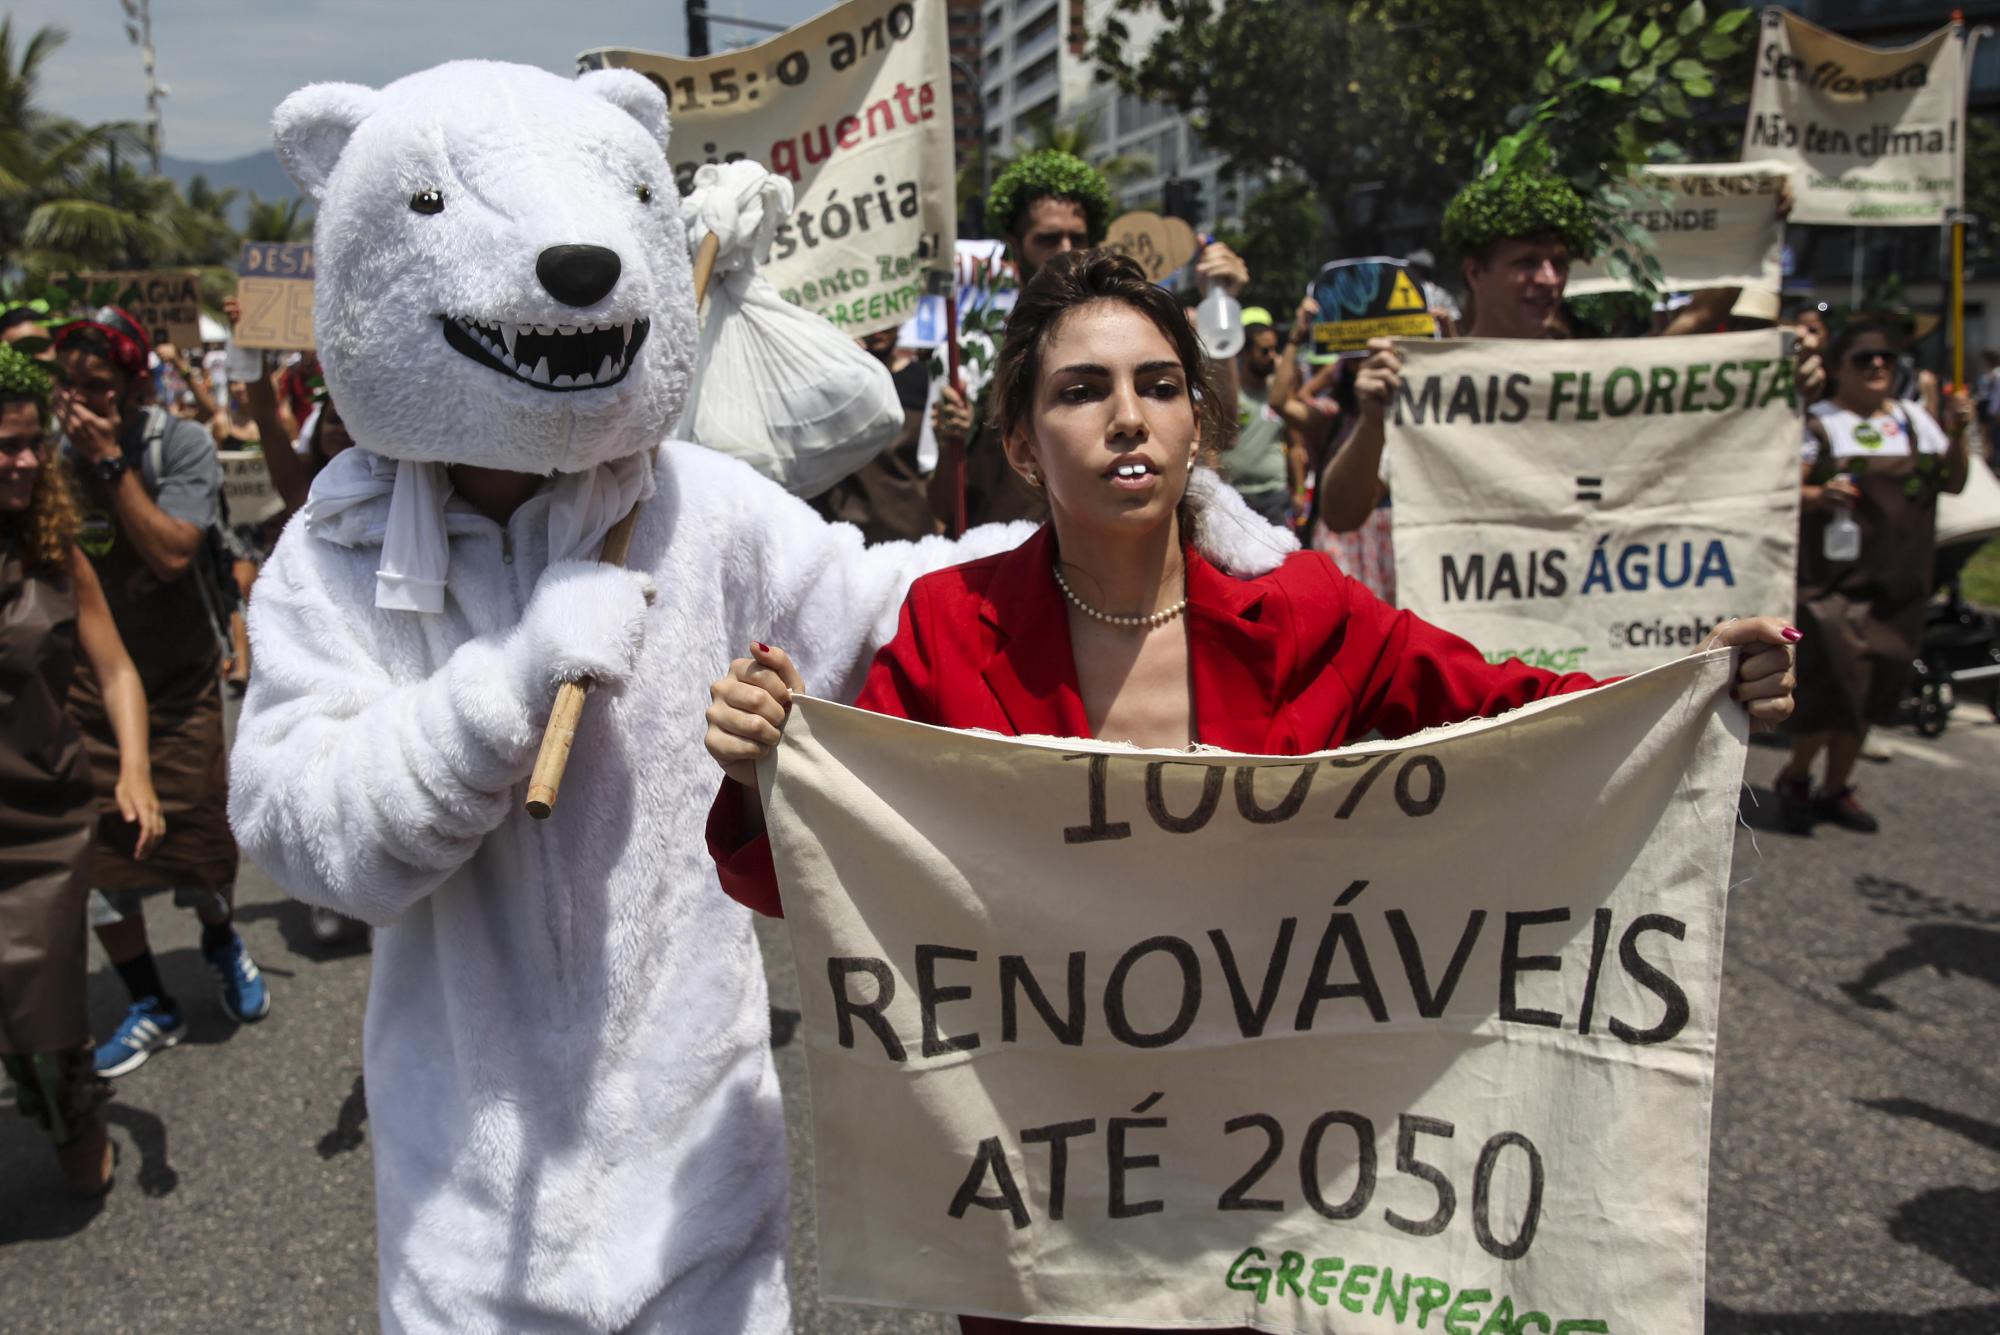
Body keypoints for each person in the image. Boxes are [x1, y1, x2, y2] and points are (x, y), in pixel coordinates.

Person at [702, 253, 1798, 1334]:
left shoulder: (1314, 612)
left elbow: (1520, 721)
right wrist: (768, 772)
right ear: (1022, 449)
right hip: (1047, 1202)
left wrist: (1691, 689)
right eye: (1080, 391)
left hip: (1273, 1203)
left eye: (1158, 386)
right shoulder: (947, 626)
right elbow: (832, 879)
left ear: (1199, 426)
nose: (1125, 417)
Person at [51, 307, 269, 1078]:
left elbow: (175, 553)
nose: (78, 403)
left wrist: (110, 465)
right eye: (67, 385)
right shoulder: (42, 458)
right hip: (83, 696)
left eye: (98, 388)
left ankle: (219, 938)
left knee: (203, 847)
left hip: (178, 691)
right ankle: (150, 998)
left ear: (136, 385)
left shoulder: (177, 445)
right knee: (100, 864)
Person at [0, 343, 163, 1197]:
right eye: (7, 445)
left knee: (43, 1016)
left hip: (44, 820)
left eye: (32, 442)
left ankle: (70, 1108)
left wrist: (133, 769)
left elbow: (116, 670)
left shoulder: (58, 552)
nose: (28, 460)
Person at [931, 149, 1248, 531]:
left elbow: (1224, 428)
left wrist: (1221, 302)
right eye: (1078, 392)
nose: (1066, 249)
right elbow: (942, 506)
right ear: (1015, 245)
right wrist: (950, 441)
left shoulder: (1142, 332)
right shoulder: (967, 350)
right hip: (1009, 569)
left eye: (1159, 388)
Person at [1775, 322, 1974, 834]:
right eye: (1864, 359)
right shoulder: (1816, 423)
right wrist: (1820, 497)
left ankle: (1836, 786)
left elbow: (1952, 481)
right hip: (1834, 583)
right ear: (1839, 368)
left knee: (1875, 688)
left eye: (1886, 358)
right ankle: (1796, 774)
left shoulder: (1912, 420)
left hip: (1901, 578)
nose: (1878, 366)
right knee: (1841, 683)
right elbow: (1782, 490)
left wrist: (1958, 433)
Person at [809, 328, 941, 543]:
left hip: (909, 532)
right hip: (846, 532)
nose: (879, 328)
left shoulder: (920, 379)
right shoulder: (831, 375)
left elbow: (933, 465)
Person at [1217, 309, 1298, 526]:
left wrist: (1298, 491)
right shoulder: (1231, 399)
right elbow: (1213, 447)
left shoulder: (1279, 396)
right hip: (1236, 499)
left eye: (1274, 349)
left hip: (1275, 497)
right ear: (1245, 351)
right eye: (1264, 350)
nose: (1272, 356)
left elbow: (1295, 446)